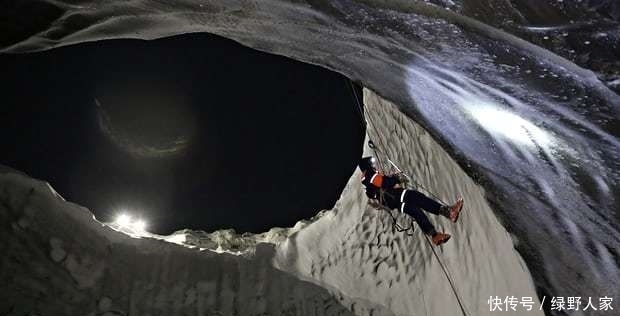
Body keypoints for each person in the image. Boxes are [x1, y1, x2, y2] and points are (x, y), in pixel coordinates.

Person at [358, 156, 463, 246]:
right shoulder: (370, 175)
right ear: (367, 166)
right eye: (371, 163)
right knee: (419, 201)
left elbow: (381, 184)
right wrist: (396, 178)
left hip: (395, 199)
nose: (373, 165)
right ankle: (448, 215)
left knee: (417, 210)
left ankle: (437, 232)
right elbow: (385, 182)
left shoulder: (368, 180)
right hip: (396, 197)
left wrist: (392, 179)